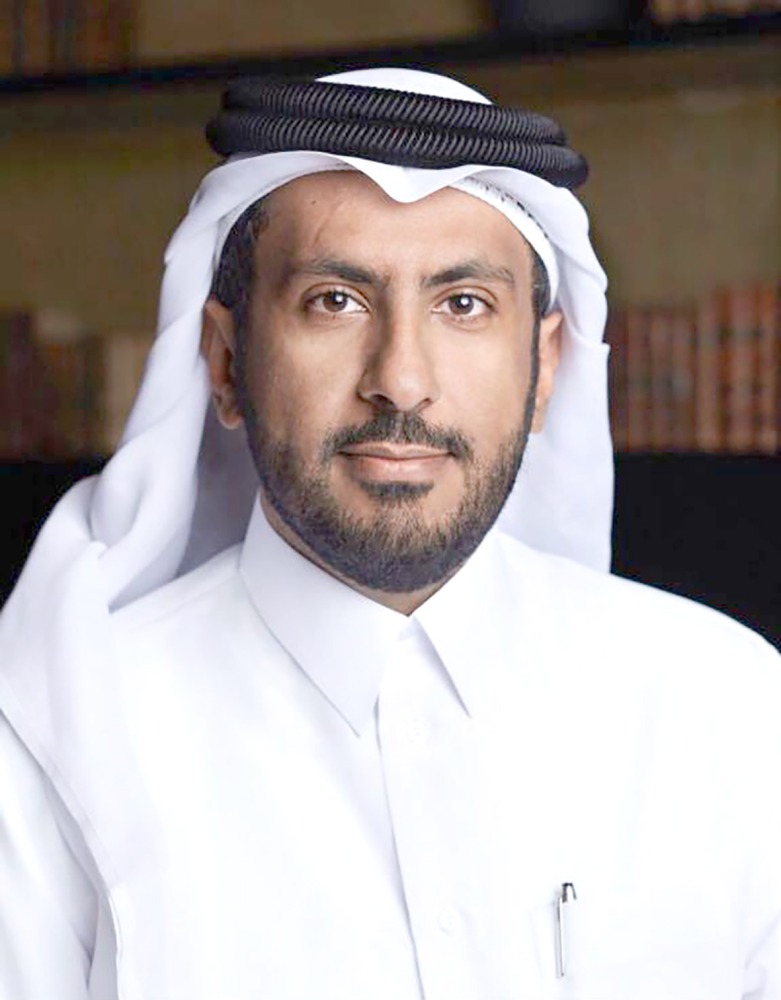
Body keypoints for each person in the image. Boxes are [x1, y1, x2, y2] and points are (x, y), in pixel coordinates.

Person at [0, 67, 778, 1000]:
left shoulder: (727, 708)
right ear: (225, 362)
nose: (401, 380)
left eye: (463, 304)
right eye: (335, 300)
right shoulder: (56, 740)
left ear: (544, 371)